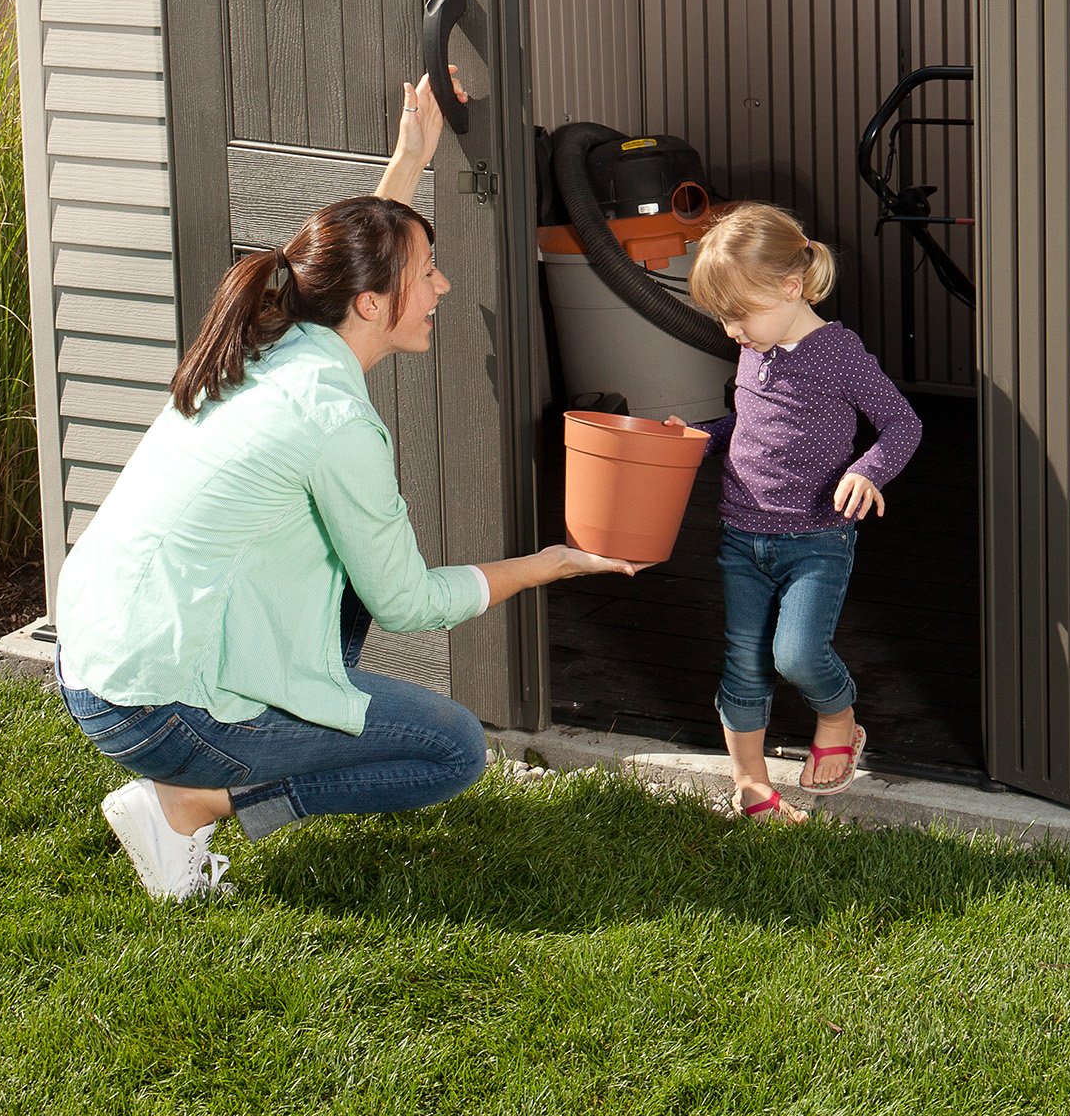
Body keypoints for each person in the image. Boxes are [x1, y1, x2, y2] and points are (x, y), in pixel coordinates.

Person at [55, 72, 635, 902]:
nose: (439, 289)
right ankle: (192, 801)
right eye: (426, 273)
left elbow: (334, 260)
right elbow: (409, 605)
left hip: (98, 665)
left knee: (343, 583)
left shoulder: (273, 340)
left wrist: (410, 158)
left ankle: (208, 768)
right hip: (156, 706)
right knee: (452, 751)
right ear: (369, 304)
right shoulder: (332, 418)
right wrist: (547, 565)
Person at [671, 202, 922, 822]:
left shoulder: (837, 353)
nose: (730, 330)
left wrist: (867, 470)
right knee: (744, 661)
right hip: (740, 535)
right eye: (723, 317)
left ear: (790, 286)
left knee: (798, 655)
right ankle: (750, 784)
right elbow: (750, 425)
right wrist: (701, 434)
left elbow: (901, 424)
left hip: (816, 540)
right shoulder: (756, 347)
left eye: (737, 314)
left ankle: (837, 713)